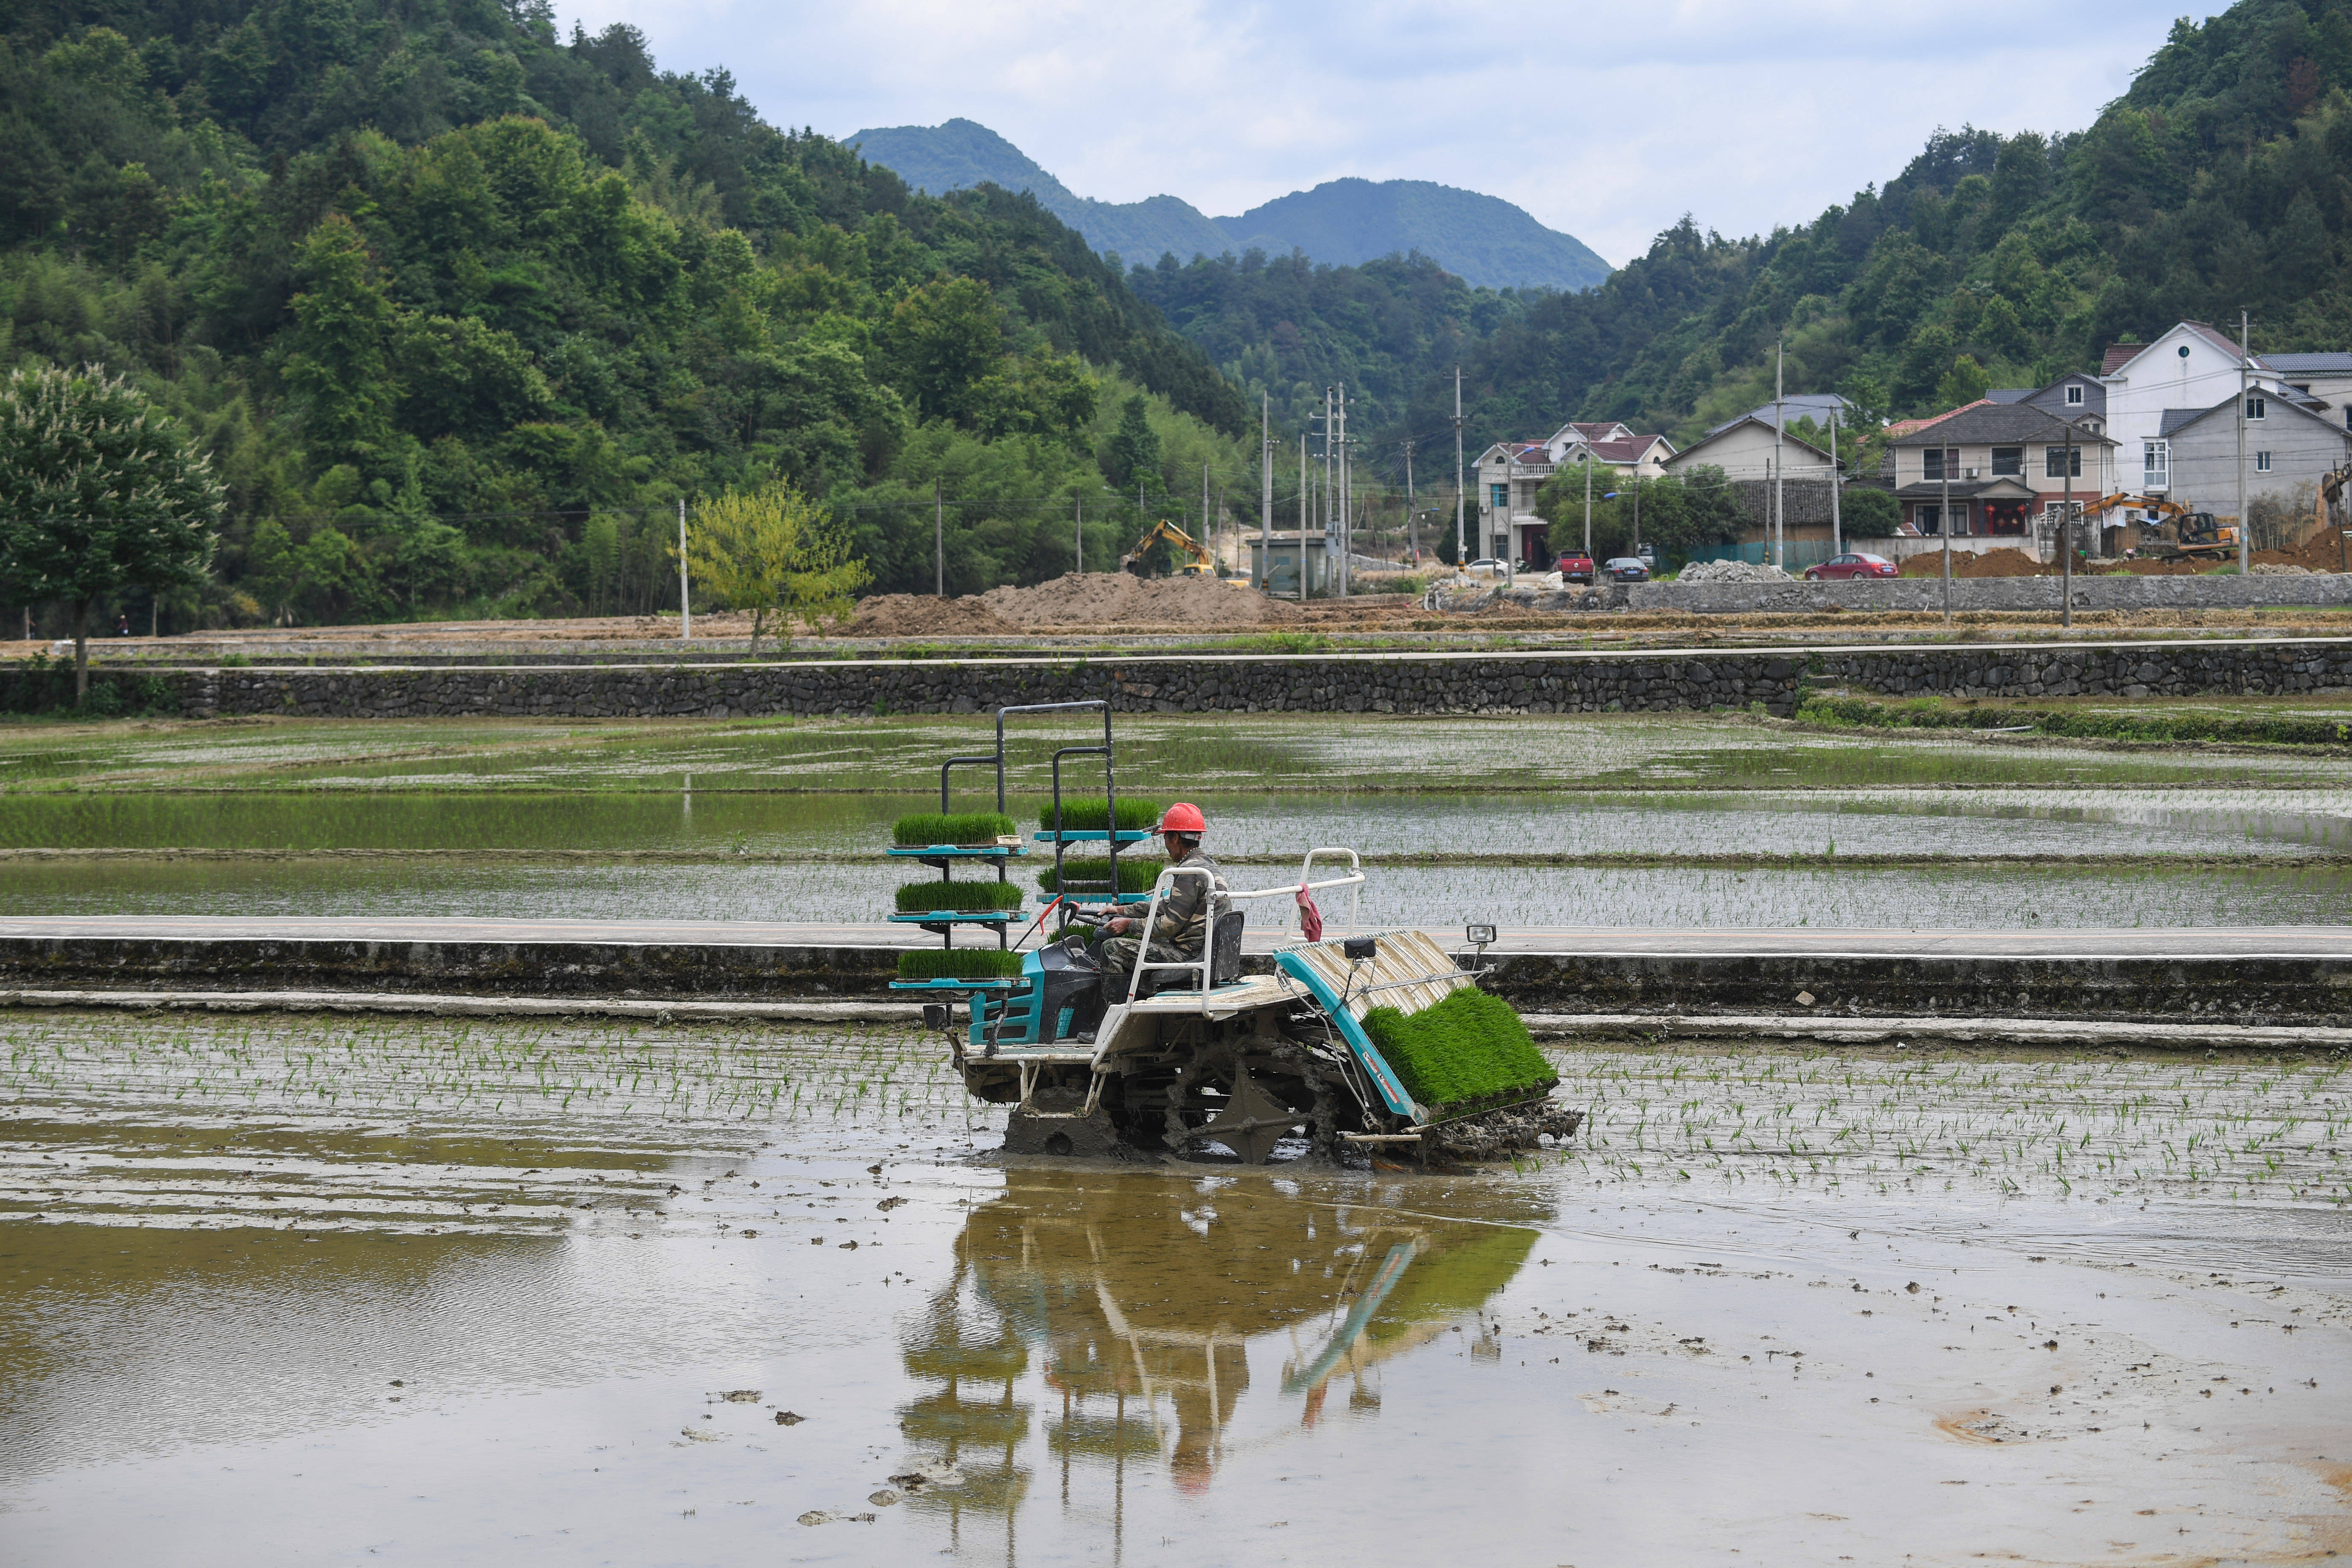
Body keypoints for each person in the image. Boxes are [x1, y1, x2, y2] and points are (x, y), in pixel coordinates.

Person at [1096, 803, 1227, 1005]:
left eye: (1166, 838)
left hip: (1188, 955)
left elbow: (1169, 925)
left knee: (1112, 949)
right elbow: (1168, 906)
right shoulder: (1207, 865)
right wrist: (1122, 910)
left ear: (1175, 838)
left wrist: (1128, 925)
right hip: (1204, 950)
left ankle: (1111, 1019)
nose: (1166, 845)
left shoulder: (1188, 872)